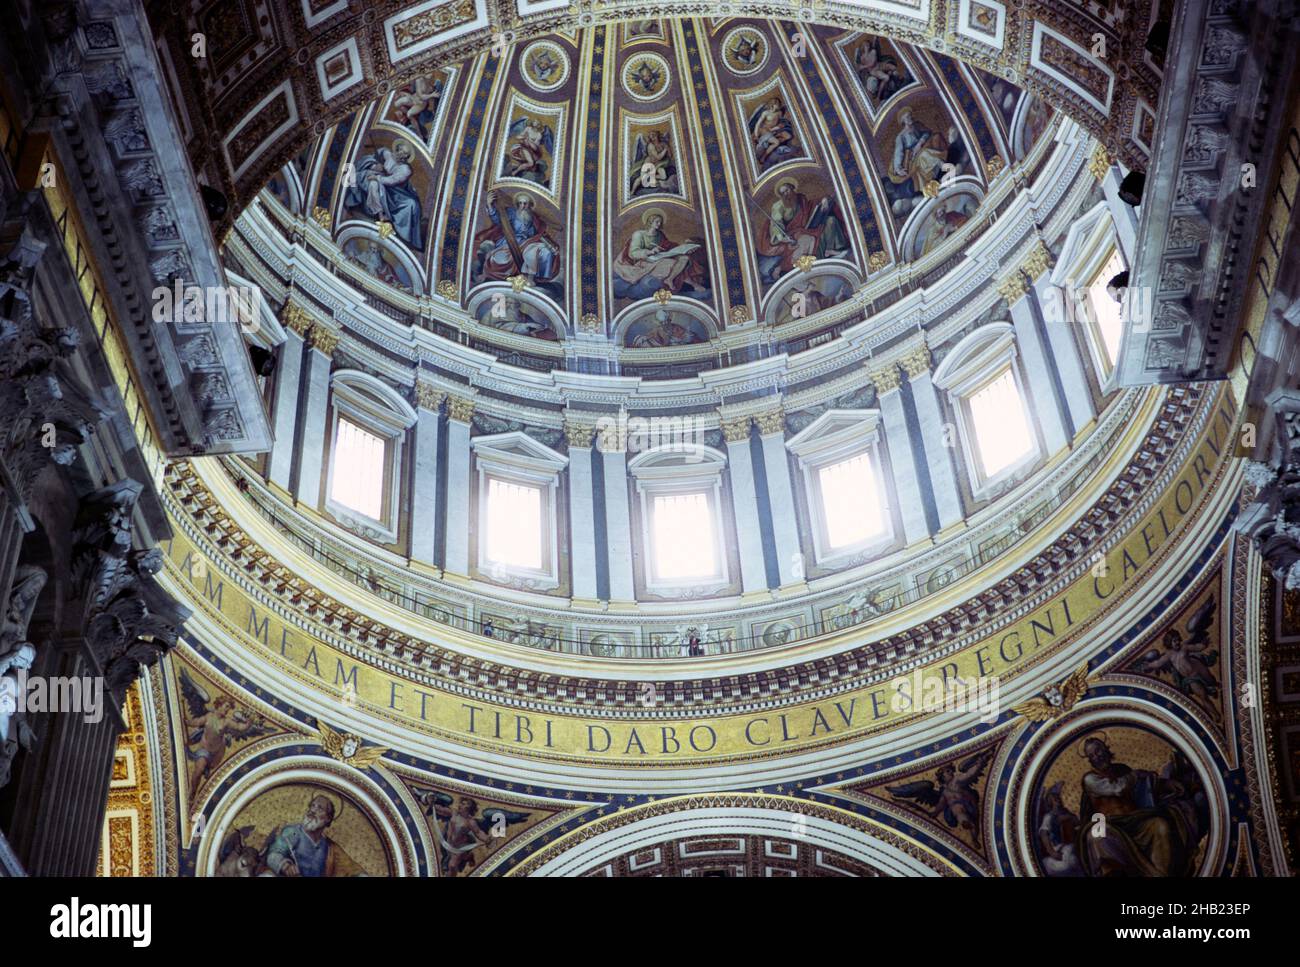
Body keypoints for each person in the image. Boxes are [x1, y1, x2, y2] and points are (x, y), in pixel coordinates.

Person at [757, 178, 849, 280]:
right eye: (782, 193)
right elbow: (776, 225)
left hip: (807, 227)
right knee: (806, 239)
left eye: (787, 191)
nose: (785, 195)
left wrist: (824, 200)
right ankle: (811, 259)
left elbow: (811, 205)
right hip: (792, 235)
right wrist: (782, 237)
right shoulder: (778, 207)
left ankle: (829, 249)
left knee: (831, 220)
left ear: (793, 188)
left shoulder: (801, 199)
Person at [344, 140, 424, 250]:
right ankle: (380, 214)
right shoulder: (386, 153)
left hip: (397, 194)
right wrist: (374, 166)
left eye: (406, 154)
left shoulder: (406, 169)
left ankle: (406, 235)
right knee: (371, 184)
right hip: (382, 184)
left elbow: (393, 180)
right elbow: (368, 159)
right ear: (397, 149)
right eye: (401, 151)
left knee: (411, 204)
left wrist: (377, 178)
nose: (402, 155)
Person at [613, 209, 707, 299]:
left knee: (684, 258)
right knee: (672, 264)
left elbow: (668, 246)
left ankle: (670, 278)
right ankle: (694, 285)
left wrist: (684, 249)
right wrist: (649, 252)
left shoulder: (659, 235)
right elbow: (633, 253)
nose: (659, 224)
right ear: (650, 221)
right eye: (657, 221)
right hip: (643, 262)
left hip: (659, 258)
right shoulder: (639, 234)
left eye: (660, 222)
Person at [264, 795, 368, 877]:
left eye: (319, 808)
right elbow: (274, 854)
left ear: (328, 818)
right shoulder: (292, 832)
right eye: (312, 806)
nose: (312, 810)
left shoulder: (330, 848)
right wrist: (285, 866)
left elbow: (351, 869)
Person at [474, 191, 561, 285]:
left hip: (528, 242)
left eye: (525, 203)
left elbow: (539, 233)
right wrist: (490, 206)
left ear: (529, 205)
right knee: (498, 259)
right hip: (510, 241)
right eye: (520, 203)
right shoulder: (511, 212)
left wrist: (550, 244)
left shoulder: (533, 217)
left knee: (543, 252)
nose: (522, 206)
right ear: (517, 204)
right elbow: (498, 220)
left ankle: (534, 279)